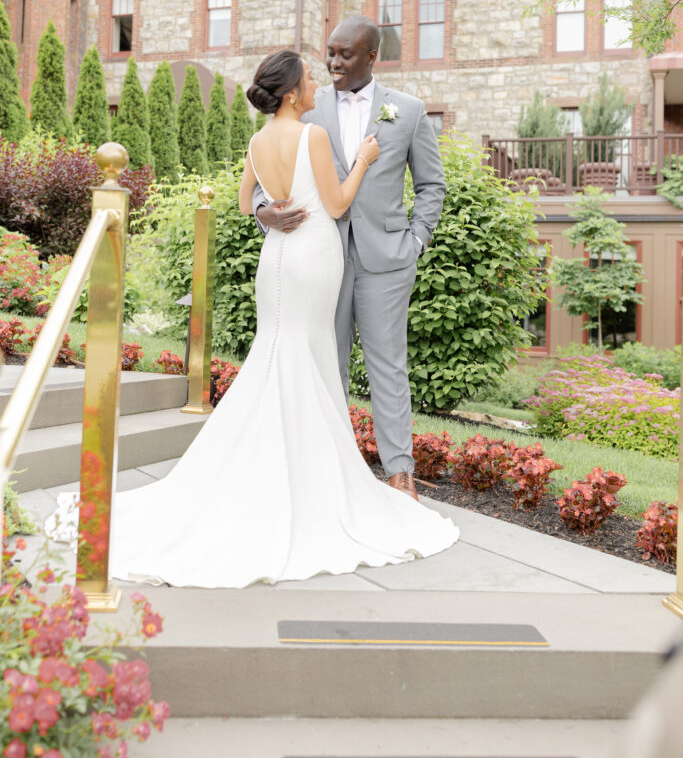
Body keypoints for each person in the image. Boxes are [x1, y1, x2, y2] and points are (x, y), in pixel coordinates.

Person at [49, 49, 458, 589]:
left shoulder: (256, 141)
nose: (316, 83)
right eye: (309, 79)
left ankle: (277, 470)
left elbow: (247, 205)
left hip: (278, 261)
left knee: (280, 355)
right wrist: (362, 158)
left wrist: (274, 208)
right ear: (292, 93)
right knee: (307, 358)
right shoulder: (311, 134)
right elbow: (335, 206)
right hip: (313, 258)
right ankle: (310, 481)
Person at [254, 16, 446, 502]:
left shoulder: (408, 110)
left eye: (344, 54)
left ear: (372, 57)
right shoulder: (307, 110)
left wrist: (415, 241)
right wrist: (264, 213)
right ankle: (329, 468)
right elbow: (262, 178)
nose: (333, 63)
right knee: (324, 360)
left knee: (388, 364)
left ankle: (400, 473)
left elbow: (431, 186)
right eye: (330, 53)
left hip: (388, 259)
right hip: (320, 259)